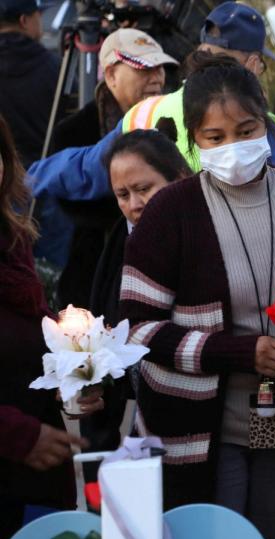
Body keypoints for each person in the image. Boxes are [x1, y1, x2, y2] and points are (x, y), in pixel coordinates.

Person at [118, 53, 275, 539]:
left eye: (246, 129)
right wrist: (237, 351)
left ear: (267, 125)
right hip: (198, 431)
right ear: (194, 139)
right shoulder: (172, 211)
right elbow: (138, 328)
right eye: (214, 137)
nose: (232, 147)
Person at [27, 2, 275, 213]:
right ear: (254, 65)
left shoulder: (147, 113)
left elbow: (85, 170)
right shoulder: (265, 127)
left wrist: (26, 179)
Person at [78, 122, 192, 484]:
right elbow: (101, 326)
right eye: (122, 194)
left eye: (144, 189)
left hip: (202, 417)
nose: (134, 205)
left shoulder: (204, 237)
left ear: (178, 178)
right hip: (140, 419)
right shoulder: (118, 244)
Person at [0, 112, 88, 539]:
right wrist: (19, 435)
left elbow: (31, 327)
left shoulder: (10, 237)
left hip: (20, 480)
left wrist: (79, 365)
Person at [52, 29, 179, 327]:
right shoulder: (74, 131)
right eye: (144, 68)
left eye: (160, 68)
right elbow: (73, 205)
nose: (156, 78)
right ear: (110, 75)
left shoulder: (170, 120)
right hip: (92, 277)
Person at [0, 0, 58, 167]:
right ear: (24, 21)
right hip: (50, 175)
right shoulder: (53, 66)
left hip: (6, 177)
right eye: (38, 15)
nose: (41, 20)